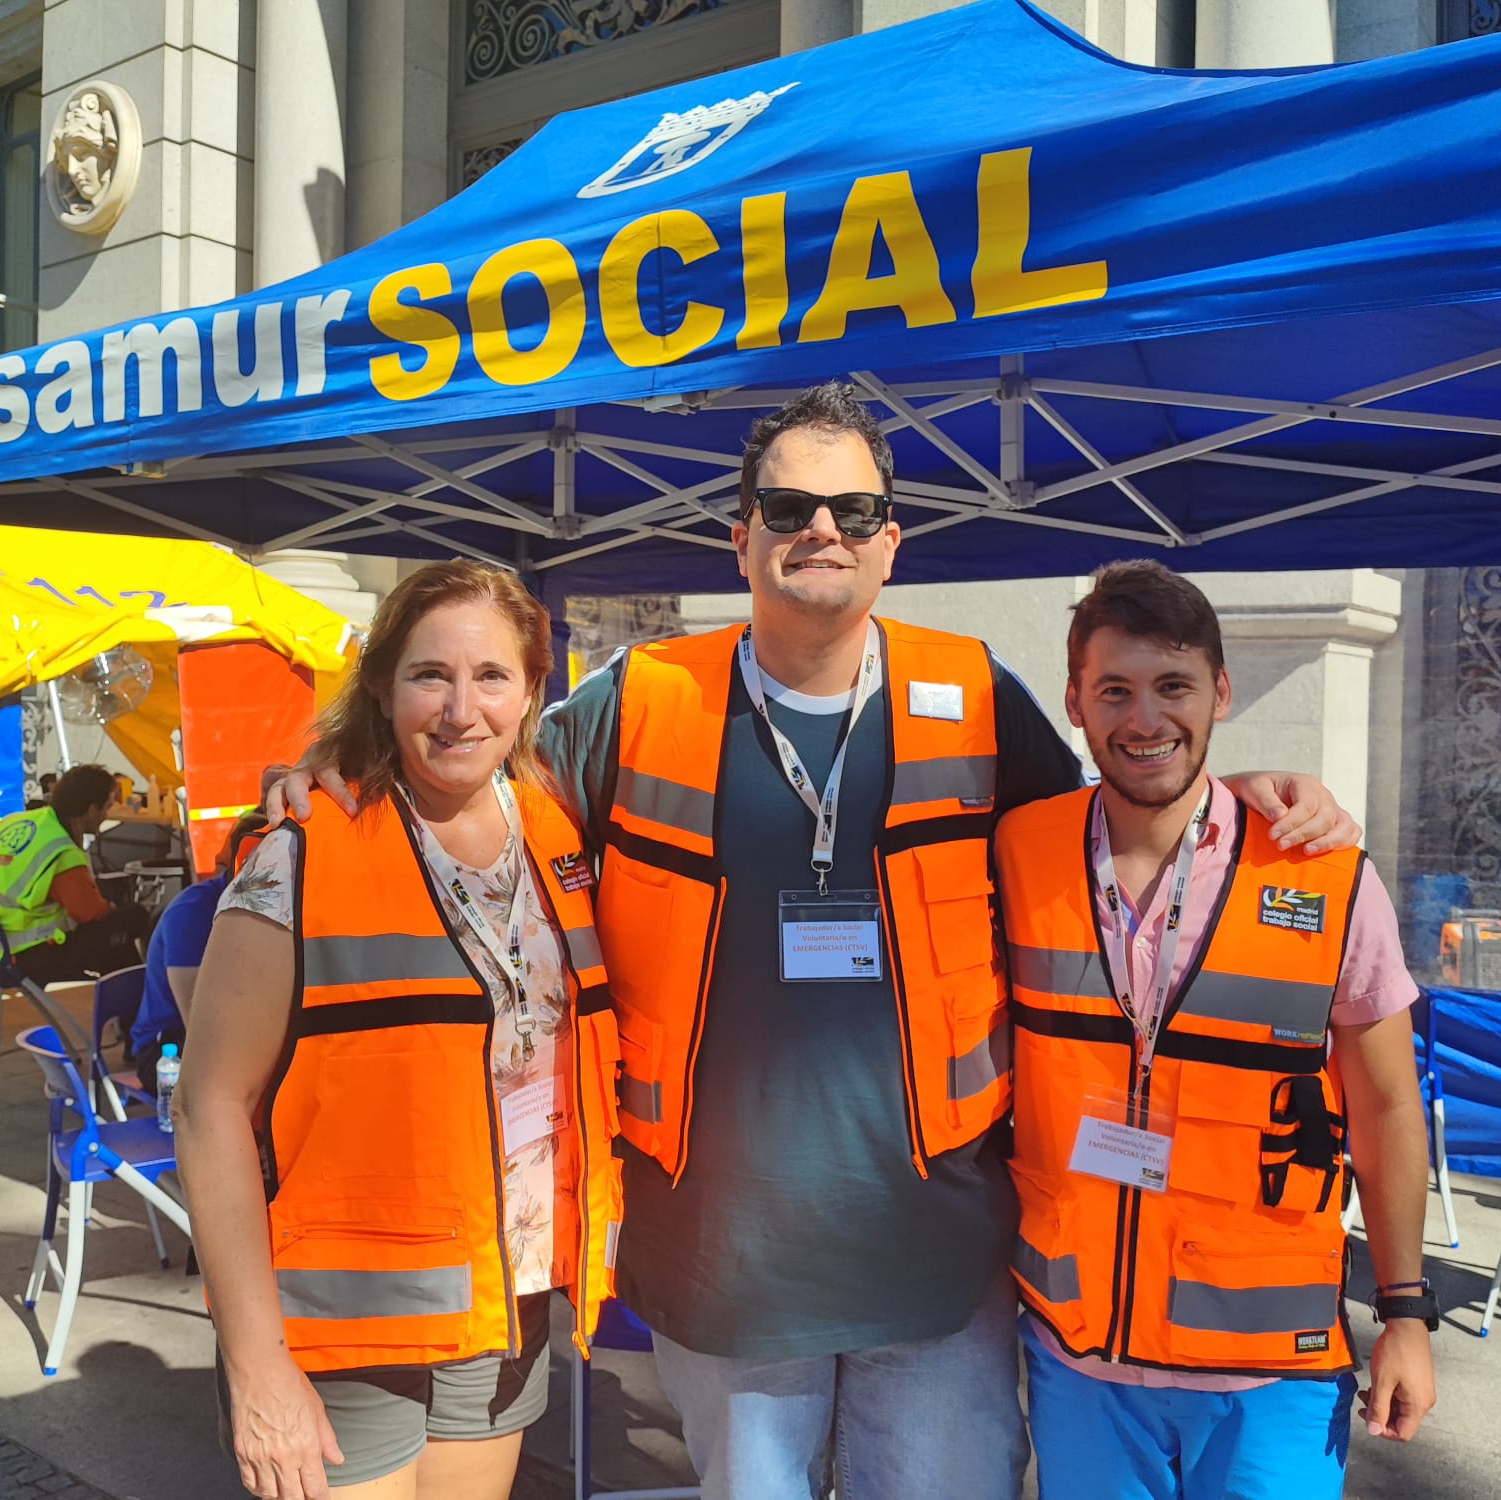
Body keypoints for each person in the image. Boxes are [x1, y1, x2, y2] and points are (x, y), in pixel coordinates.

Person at [276, 383, 1358, 1500]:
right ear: (740, 536)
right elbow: (470, 782)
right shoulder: (638, 700)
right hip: (727, 1267)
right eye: (788, 508)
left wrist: (1234, 792)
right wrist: (338, 762)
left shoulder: (974, 693)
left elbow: (1107, 831)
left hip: (940, 1265)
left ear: (892, 542)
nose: (820, 530)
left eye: (852, 509)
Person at [174, 562, 625, 1500]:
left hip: (507, 1296)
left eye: (492, 677)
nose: (462, 709)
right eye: (430, 676)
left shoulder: (558, 828)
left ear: (533, 689)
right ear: (381, 686)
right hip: (347, 1329)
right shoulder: (306, 850)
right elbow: (208, 1106)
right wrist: (257, 1368)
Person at [995, 560, 1435, 1500]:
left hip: (1267, 1371)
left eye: (1173, 686)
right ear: (1074, 701)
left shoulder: (1324, 876)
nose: (1144, 718)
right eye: (1114, 689)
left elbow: (1389, 1104)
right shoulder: (1015, 853)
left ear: (1220, 693)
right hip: (1081, 1366)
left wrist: (1405, 1314)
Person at [130, 810, 268, 1095]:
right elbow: (198, 1026)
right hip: (167, 1049)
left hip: (230, 1032)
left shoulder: (264, 906)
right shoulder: (192, 912)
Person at [0, 762, 148, 983]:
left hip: (7, 941)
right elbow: (88, 912)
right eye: (106, 807)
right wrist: (112, 906)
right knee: (132, 918)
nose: (107, 814)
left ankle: (129, 995)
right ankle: (134, 997)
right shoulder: (61, 852)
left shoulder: (21, 821)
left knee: (116, 938)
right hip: (27, 954)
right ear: (91, 810)